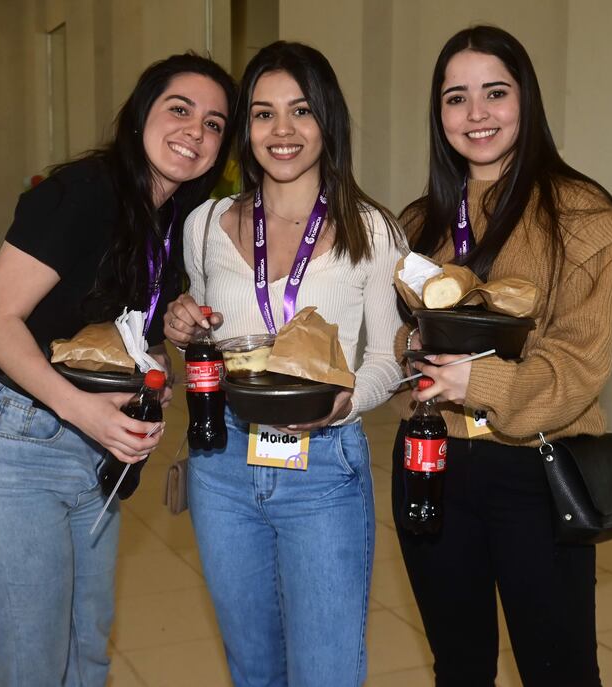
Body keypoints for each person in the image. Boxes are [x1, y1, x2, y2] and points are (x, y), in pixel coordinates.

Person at [0, 54, 236, 686]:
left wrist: (163, 347)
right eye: (179, 110)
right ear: (140, 115)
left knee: (86, 653)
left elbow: (109, 331)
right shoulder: (82, 193)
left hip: (90, 453)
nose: (194, 132)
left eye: (213, 123)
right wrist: (81, 408)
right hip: (13, 446)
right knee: (34, 664)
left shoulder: (171, 220)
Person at [390, 25, 612, 687]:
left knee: (559, 669)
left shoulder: (585, 217)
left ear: (525, 101)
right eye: (455, 97)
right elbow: (400, 335)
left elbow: (579, 366)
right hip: (430, 457)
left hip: (537, 469)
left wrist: (476, 377)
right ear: (437, 113)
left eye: (494, 93)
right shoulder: (419, 224)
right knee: (460, 665)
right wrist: (409, 346)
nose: (475, 114)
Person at [164, 41, 404, 687]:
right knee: (254, 667)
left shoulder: (371, 229)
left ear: (328, 120)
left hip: (322, 467)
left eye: (301, 110)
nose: (283, 131)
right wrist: (183, 329)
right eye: (263, 113)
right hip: (222, 469)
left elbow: (389, 358)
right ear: (245, 127)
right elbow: (206, 342)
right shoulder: (206, 222)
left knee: (325, 670)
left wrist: (343, 402)